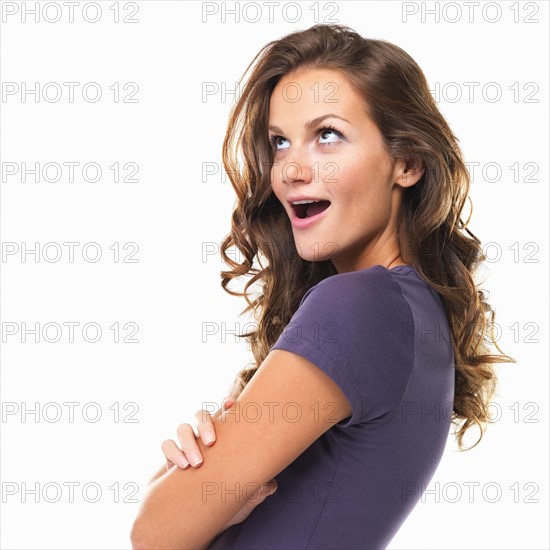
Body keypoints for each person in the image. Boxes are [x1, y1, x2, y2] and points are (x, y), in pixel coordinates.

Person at [130, 23, 516, 549]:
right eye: (279, 142)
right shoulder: (411, 311)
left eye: (327, 135)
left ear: (406, 162)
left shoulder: (358, 305)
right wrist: (186, 485)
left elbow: (153, 535)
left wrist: (186, 495)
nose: (290, 167)